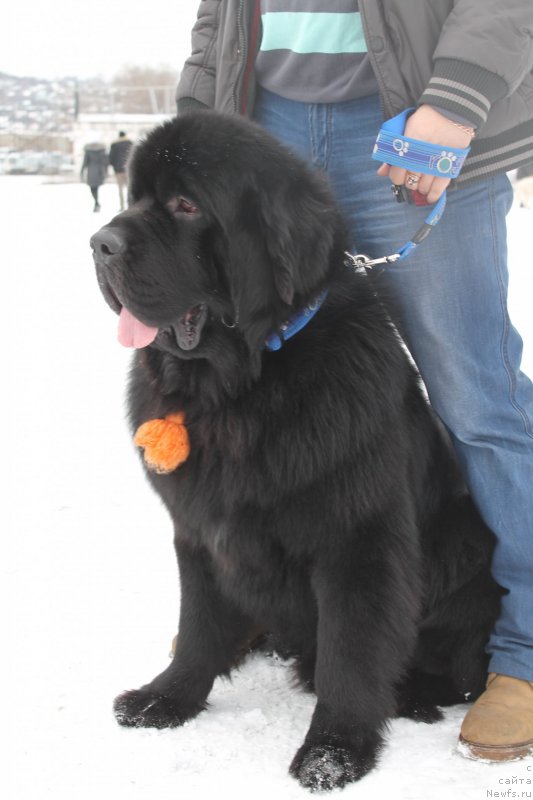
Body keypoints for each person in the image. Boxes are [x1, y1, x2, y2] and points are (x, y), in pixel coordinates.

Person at [177, 0, 533, 762]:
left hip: (414, 112)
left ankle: (525, 652)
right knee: (249, 388)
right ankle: (272, 604)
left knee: (478, 402)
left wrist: (455, 100)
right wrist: (196, 123)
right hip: (259, 119)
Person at [108, 131, 133, 211]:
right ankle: (130, 205)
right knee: (129, 188)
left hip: (118, 170)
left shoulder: (114, 145)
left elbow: (111, 158)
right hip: (129, 169)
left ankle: (122, 206)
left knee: (120, 189)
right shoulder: (130, 143)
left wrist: (114, 166)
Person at [80, 141, 107, 212]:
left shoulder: (88, 152)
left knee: (92, 189)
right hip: (99, 171)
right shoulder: (102, 151)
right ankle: (97, 203)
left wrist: (81, 172)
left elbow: (85, 163)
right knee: (96, 188)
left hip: (91, 172)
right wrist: (105, 172)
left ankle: (96, 203)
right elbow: (105, 162)